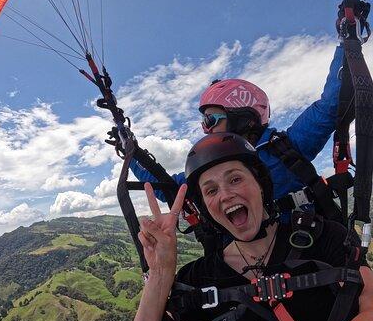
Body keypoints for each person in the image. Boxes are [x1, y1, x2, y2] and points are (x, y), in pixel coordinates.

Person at [127, 133, 373, 321]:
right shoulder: (200, 278)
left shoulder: (324, 238)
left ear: (260, 185)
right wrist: (160, 272)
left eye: (235, 179)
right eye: (211, 190)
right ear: (206, 208)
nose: (225, 195)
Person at [129, 44, 344, 215]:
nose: (206, 129)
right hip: (243, 262)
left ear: (242, 119)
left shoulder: (286, 148)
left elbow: (331, 104)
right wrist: (131, 155)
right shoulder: (209, 168)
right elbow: (165, 187)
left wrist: (346, 40)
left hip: (305, 253)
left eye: (211, 119)